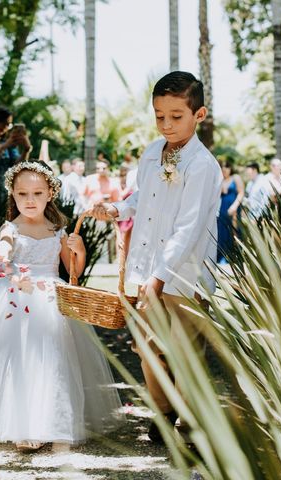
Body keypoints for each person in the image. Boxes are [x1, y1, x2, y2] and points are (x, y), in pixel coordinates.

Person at [0, 161, 121, 452]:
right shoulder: (11, 227)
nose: (30, 201)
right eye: (22, 194)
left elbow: (73, 271)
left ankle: (52, 420)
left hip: (50, 295)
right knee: (18, 359)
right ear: (13, 195)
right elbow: (5, 246)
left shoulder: (58, 229)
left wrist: (78, 250)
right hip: (15, 295)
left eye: (37, 193)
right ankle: (22, 424)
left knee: (52, 359)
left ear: (50, 194)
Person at [92, 71, 222, 444]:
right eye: (159, 115)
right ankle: (164, 413)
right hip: (147, 270)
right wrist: (116, 209)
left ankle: (191, 423)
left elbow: (190, 227)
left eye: (176, 116)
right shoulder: (152, 153)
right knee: (147, 347)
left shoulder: (202, 165)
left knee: (185, 351)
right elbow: (139, 198)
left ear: (199, 115)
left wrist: (160, 277)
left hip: (184, 275)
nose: (166, 124)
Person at [217, 158, 244, 264]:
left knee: (234, 232)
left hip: (233, 209)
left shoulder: (235, 178)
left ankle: (237, 257)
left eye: (227, 166)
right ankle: (222, 258)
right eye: (222, 167)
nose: (224, 169)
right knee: (222, 233)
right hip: (222, 210)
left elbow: (241, 193)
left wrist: (234, 206)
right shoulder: (219, 180)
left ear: (230, 168)